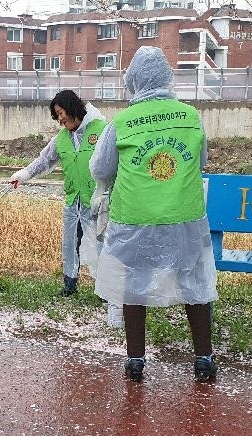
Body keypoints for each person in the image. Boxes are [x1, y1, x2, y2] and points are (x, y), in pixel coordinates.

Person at [89, 46, 219, 383]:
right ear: (167, 77)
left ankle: (135, 361)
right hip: (184, 218)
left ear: (133, 80)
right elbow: (201, 161)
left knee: (134, 286)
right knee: (195, 284)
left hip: (135, 219)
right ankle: (204, 358)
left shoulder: (122, 122)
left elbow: (100, 168)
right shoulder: (191, 116)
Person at [8, 90, 123, 326]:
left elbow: (117, 162)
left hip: (99, 200)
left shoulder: (102, 130)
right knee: (70, 243)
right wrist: (24, 175)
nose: (59, 119)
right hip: (74, 200)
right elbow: (44, 161)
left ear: (72, 108)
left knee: (103, 243)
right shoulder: (61, 138)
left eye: (60, 113)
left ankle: (105, 289)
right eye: (56, 116)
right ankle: (70, 284)